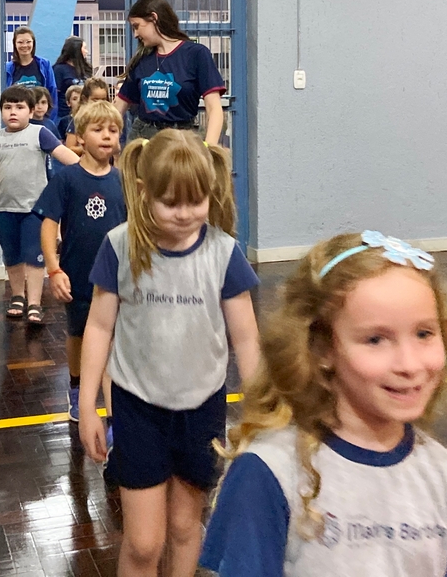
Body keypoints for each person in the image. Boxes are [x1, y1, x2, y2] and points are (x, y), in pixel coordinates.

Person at [199, 231, 447, 577]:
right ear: (322, 348)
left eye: (424, 334)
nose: (409, 364)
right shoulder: (271, 472)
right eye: (376, 339)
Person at [79, 130, 261, 577]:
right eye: (170, 203)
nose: (185, 214)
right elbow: (99, 327)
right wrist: (87, 407)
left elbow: (247, 339)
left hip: (202, 409)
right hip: (138, 408)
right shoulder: (120, 246)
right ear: (144, 191)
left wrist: (261, 412)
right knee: (144, 543)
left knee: (184, 527)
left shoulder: (223, 253)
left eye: (196, 202)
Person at [33, 100, 126, 424]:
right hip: (78, 273)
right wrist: (54, 269)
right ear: (81, 137)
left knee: (112, 341)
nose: (106, 136)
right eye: (98, 129)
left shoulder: (124, 181)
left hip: (116, 278)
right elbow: (48, 225)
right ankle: (76, 386)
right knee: (78, 335)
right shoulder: (66, 179)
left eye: (113, 130)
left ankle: (114, 415)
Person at [0, 86, 78, 326]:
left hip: (35, 210)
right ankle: (17, 296)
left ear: (31, 112)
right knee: (12, 256)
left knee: (34, 256)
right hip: (4, 209)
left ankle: (34, 302)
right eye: (7, 107)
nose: (13, 112)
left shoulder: (39, 133)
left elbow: (63, 153)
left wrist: (87, 170)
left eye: (19, 107)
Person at [115, 0, 225, 146]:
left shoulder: (196, 54)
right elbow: (118, 108)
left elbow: (214, 108)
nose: (135, 34)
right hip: (144, 140)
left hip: (183, 139)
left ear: (154, 18)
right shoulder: (141, 59)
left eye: (136, 26)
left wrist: (209, 148)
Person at [6, 27, 59, 123]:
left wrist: (50, 120)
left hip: (41, 119)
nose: (24, 45)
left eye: (28, 42)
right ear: (14, 44)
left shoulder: (44, 64)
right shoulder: (7, 68)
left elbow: (52, 92)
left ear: (33, 43)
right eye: (20, 42)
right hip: (19, 120)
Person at [53, 36, 92, 124]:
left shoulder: (86, 69)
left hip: (85, 114)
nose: (86, 51)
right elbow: (55, 94)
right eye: (84, 48)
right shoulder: (59, 69)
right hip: (65, 115)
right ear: (76, 50)